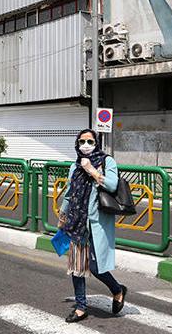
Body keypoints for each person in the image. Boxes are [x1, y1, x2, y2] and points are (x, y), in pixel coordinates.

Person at [58, 129, 126, 323]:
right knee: (77, 267)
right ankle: (81, 307)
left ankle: (117, 290)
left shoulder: (107, 161)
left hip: (96, 222)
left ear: (97, 143)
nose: (85, 145)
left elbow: (112, 185)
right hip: (76, 222)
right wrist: (63, 218)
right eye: (81, 142)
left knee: (96, 267)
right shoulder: (74, 166)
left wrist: (92, 171)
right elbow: (70, 194)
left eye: (89, 141)